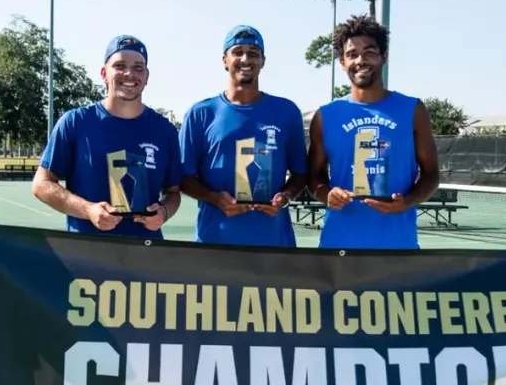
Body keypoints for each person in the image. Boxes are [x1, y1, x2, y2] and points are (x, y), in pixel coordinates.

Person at [306, 15, 440, 250]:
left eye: (369, 52)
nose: (361, 60)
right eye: (352, 54)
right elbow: (314, 178)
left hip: (398, 248)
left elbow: (431, 175)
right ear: (342, 62)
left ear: (384, 56)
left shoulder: (412, 110)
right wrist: (327, 194)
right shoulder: (326, 116)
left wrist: (407, 201)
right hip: (338, 248)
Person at [33, 35, 182, 240]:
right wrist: (88, 210)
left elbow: (173, 192)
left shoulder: (165, 130)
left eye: (138, 67)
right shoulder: (75, 122)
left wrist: (163, 212)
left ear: (147, 76)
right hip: (89, 252)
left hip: (147, 253)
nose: (129, 73)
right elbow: (42, 184)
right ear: (104, 73)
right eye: (119, 66)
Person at [178, 25, 308, 247]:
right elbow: (183, 178)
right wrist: (215, 199)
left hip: (273, 245)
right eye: (237, 52)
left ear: (263, 61)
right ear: (224, 60)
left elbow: (300, 174)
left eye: (253, 53)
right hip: (214, 244)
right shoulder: (201, 113)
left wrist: (284, 197)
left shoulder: (286, 111)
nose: (246, 58)